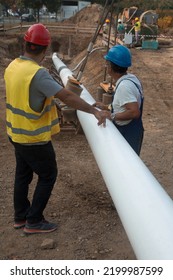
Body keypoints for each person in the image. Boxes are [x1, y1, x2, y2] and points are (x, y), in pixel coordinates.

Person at [4, 23, 109, 235]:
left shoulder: (13, 66)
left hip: (16, 133)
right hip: (34, 138)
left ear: (25, 44)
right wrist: (93, 109)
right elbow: (67, 96)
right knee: (48, 175)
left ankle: (20, 217)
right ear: (44, 50)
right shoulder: (37, 74)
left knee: (22, 175)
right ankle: (33, 221)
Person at [94, 45, 144, 156]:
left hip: (128, 133)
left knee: (127, 164)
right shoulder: (132, 78)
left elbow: (134, 112)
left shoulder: (124, 86)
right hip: (134, 130)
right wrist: (106, 107)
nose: (106, 66)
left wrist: (111, 116)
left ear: (111, 67)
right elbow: (123, 104)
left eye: (107, 64)